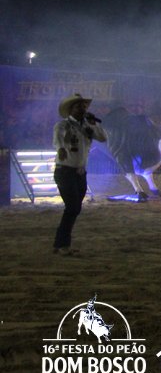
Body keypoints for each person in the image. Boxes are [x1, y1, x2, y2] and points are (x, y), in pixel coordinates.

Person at [52, 93, 107, 256]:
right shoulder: (63, 125)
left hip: (80, 172)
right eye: (78, 106)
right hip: (65, 170)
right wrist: (61, 149)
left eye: (83, 106)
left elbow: (103, 138)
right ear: (71, 109)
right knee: (72, 207)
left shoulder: (87, 126)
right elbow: (58, 139)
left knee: (75, 208)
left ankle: (60, 243)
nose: (82, 109)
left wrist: (94, 124)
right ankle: (62, 244)